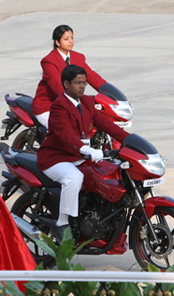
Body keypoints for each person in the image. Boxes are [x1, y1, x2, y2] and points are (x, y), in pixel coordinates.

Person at [36, 65, 129, 237]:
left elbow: (105, 123)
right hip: (56, 158)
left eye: (84, 83)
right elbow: (65, 135)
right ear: (65, 84)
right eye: (77, 83)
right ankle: (62, 224)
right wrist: (85, 148)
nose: (82, 86)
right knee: (74, 177)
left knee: (107, 175)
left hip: (79, 156)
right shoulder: (59, 106)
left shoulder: (86, 102)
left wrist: (130, 140)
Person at [32, 25, 107, 129]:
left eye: (72, 38)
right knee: (64, 130)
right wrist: (84, 100)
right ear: (57, 42)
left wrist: (108, 92)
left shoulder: (78, 57)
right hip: (48, 107)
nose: (70, 41)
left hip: (71, 104)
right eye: (66, 39)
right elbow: (58, 87)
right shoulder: (49, 61)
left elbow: (92, 77)